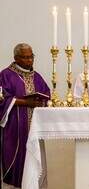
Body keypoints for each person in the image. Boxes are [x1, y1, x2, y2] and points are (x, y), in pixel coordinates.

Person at [0, 43, 50, 188]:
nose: (29, 61)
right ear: (16, 58)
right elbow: (2, 99)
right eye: (25, 57)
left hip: (35, 127)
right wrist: (25, 102)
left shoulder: (37, 76)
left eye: (31, 57)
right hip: (15, 128)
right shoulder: (5, 75)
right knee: (15, 161)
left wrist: (42, 101)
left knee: (35, 160)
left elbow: (47, 94)